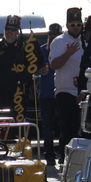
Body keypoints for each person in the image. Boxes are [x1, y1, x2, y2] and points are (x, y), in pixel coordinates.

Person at [0, 15, 38, 119]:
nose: (9, 32)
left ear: (17, 31)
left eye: (13, 30)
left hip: (18, 95)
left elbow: (33, 67)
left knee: (17, 129)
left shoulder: (24, 48)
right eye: (7, 29)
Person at [49, 7, 84, 152]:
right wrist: (68, 54)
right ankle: (64, 158)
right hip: (65, 92)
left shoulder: (86, 41)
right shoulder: (59, 41)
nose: (76, 28)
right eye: (73, 24)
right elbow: (54, 65)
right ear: (67, 25)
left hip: (83, 92)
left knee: (82, 130)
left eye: (78, 25)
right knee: (68, 129)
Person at [39, 23, 62, 165]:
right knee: (47, 126)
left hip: (62, 92)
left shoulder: (66, 49)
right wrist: (39, 71)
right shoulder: (41, 50)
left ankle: (64, 154)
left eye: (56, 34)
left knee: (63, 125)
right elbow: (32, 69)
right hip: (46, 94)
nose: (53, 37)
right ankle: (49, 155)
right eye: (51, 34)